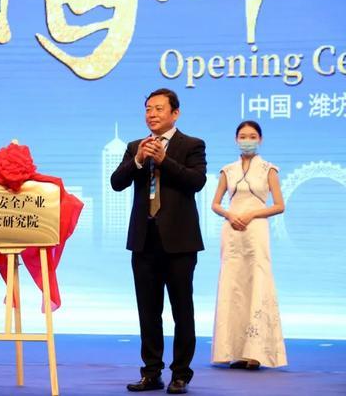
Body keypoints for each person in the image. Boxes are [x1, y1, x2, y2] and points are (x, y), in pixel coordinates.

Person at [111, 88, 206, 394]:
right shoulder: (135, 147)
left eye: (158, 109)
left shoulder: (192, 145)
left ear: (175, 113)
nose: (151, 114)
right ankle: (151, 373)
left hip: (180, 242)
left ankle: (181, 374)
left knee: (182, 311)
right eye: (148, 109)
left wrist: (165, 160)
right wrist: (138, 160)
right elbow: (116, 183)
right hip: (144, 240)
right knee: (148, 312)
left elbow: (196, 181)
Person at [211, 120, 287, 370]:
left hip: (256, 231)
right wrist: (229, 215)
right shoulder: (228, 170)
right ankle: (233, 351)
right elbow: (215, 203)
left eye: (252, 136)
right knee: (232, 285)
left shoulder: (268, 169)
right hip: (232, 232)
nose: (247, 140)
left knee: (257, 282)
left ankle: (256, 353)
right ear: (236, 140)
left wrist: (253, 213)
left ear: (260, 140)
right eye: (243, 136)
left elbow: (279, 205)